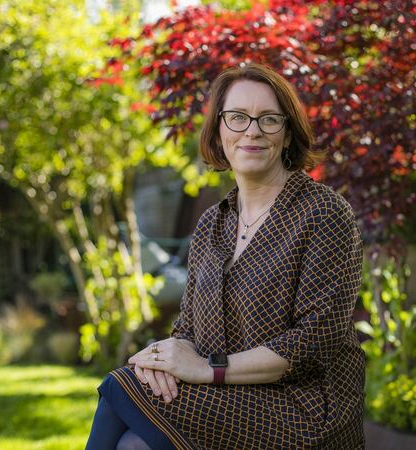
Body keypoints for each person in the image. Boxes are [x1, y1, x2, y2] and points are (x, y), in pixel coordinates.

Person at [85, 63, 365, 450]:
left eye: (269, 119)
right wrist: (159, 359)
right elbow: (187, 330)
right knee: (133, 443)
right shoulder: (211, 225)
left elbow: (314, 340)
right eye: (238, 117)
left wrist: (208, 369)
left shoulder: (323, 213)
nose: (252, 131)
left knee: (120, 385)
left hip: (304, 412)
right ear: (219, 130)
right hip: (226, 401)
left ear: (287, 134)